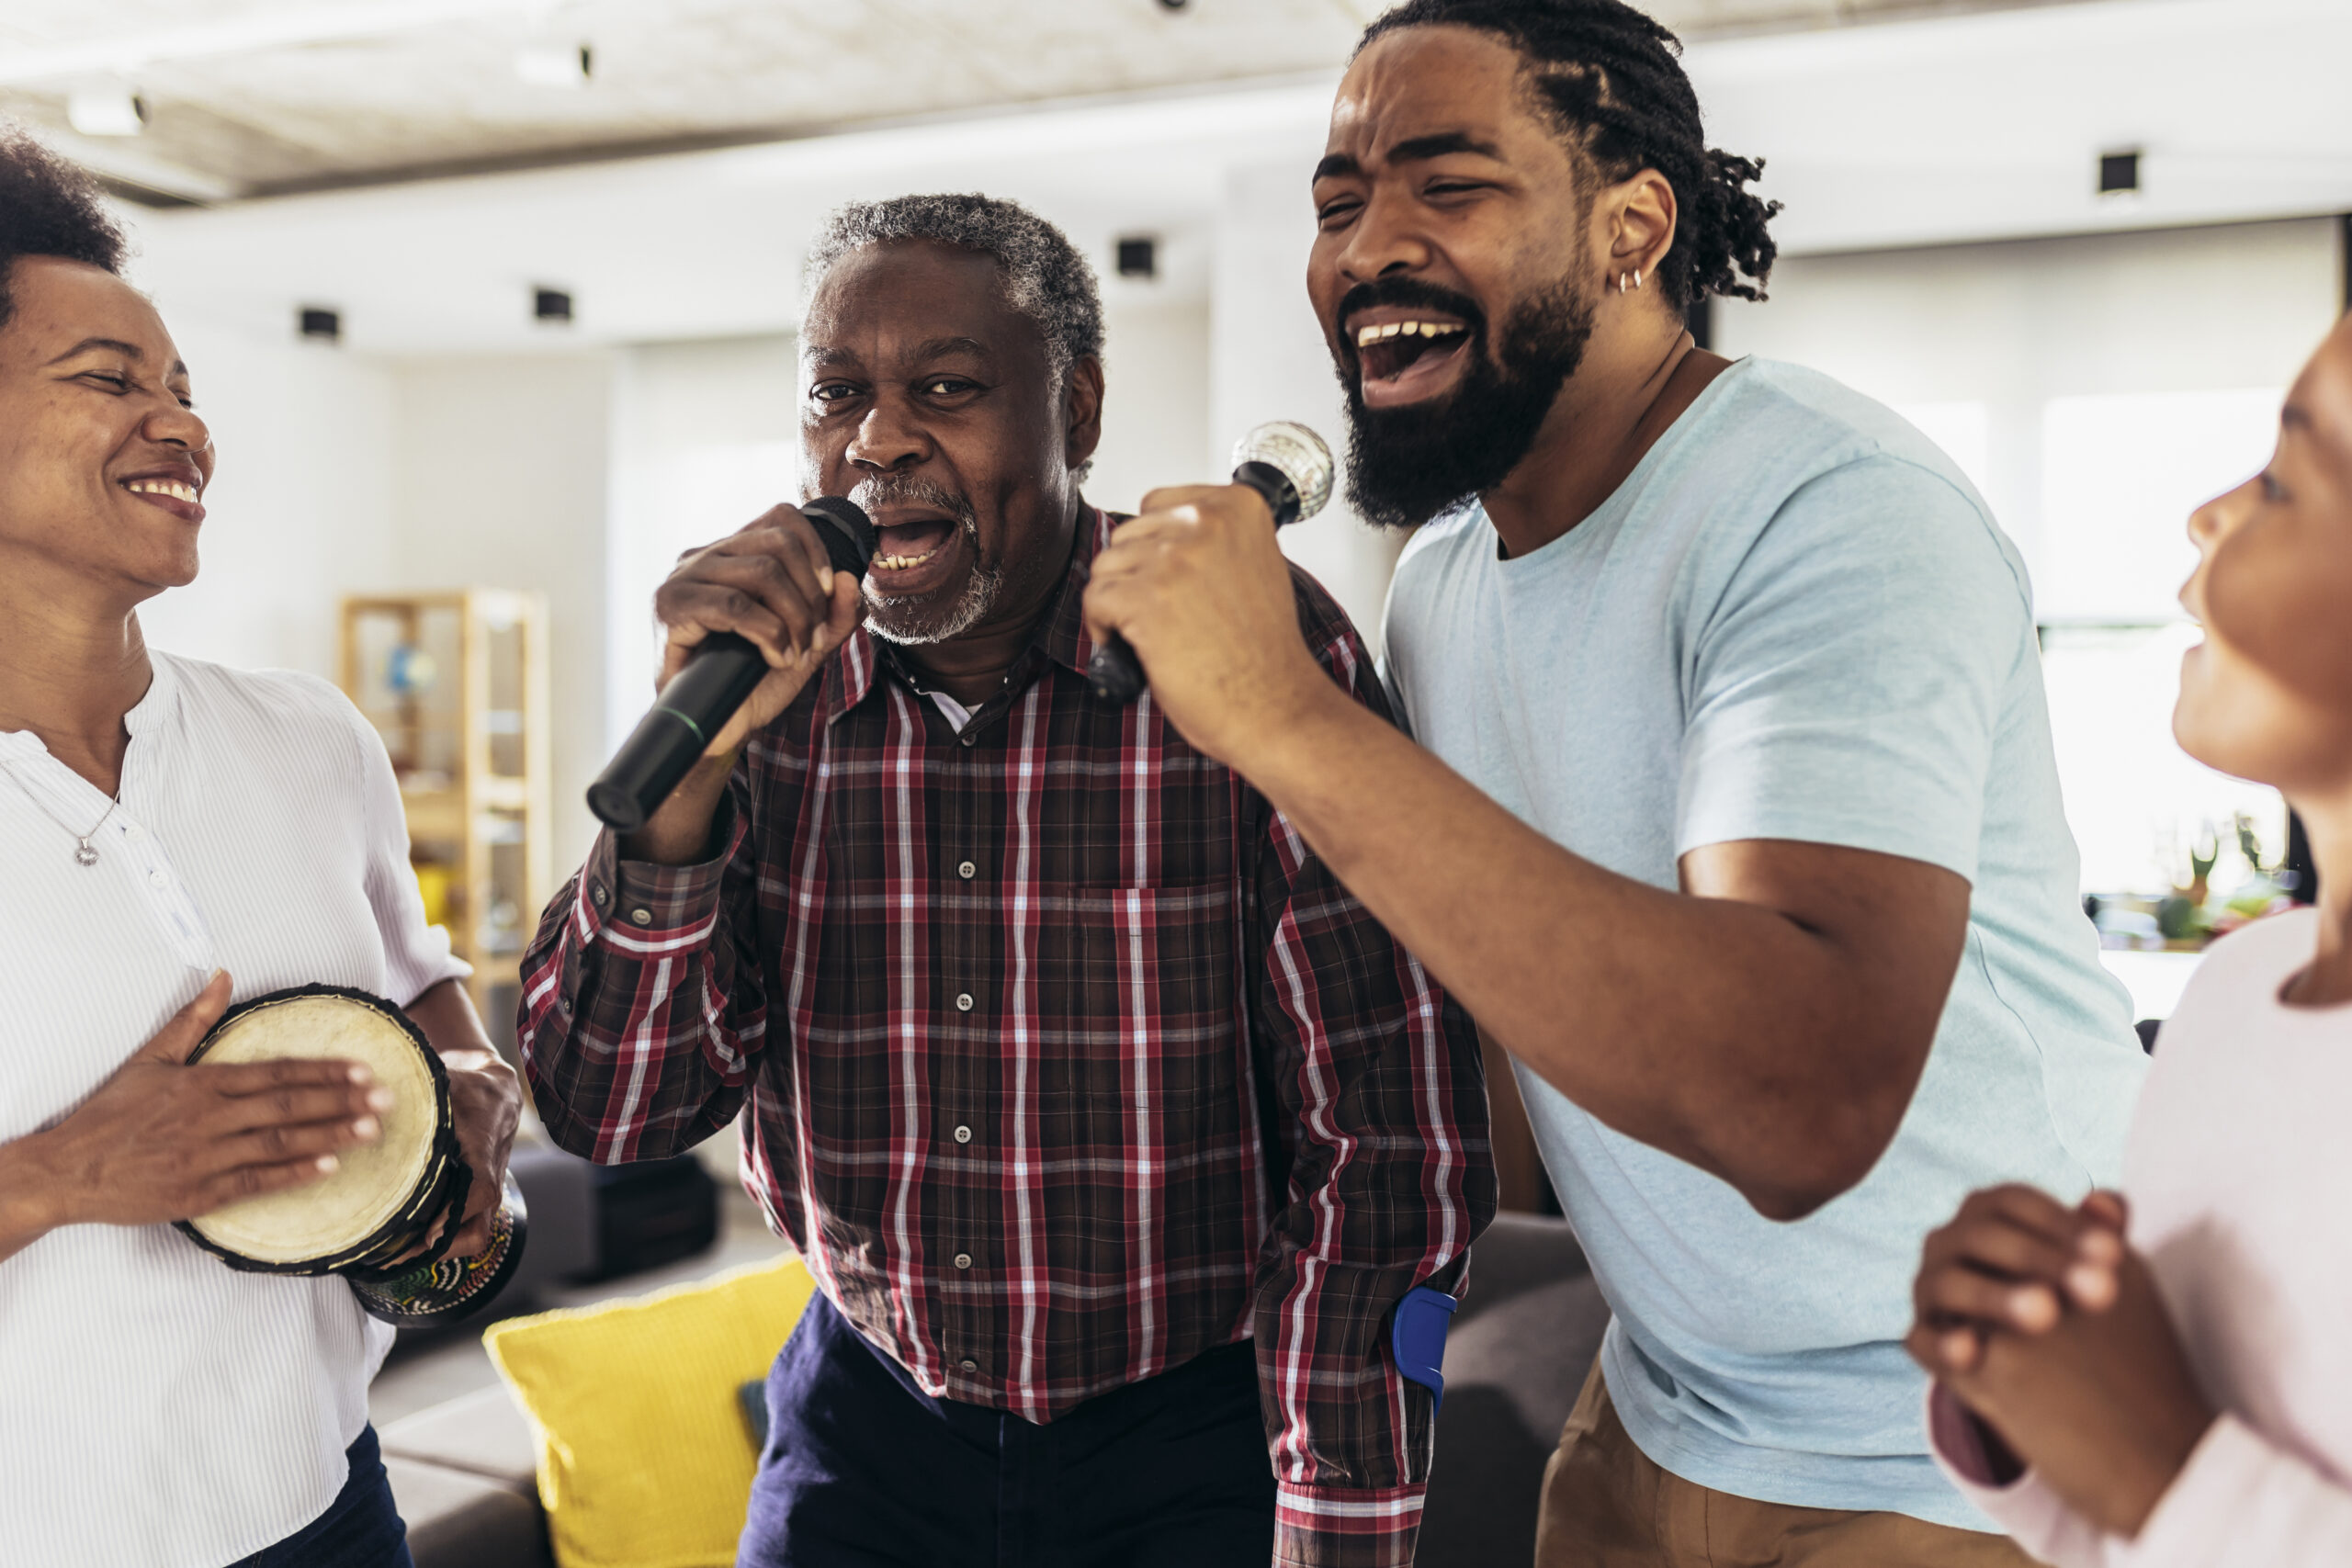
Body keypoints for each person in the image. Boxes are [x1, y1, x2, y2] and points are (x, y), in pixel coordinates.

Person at [1079, 2, 2150, 1562]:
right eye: (1337, 201)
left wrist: (1290, 722)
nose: (1368, 245)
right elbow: (1531, 1053)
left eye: (1449, 186)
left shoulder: (1829, 510)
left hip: (1961, 1450)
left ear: (1634, 224)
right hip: (1656, 1414)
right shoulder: (1441, 582)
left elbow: (1795, 1101)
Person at [517, 193, 1492, 1568]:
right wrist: (684, 792)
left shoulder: (1248, 649)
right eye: (836, 394)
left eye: (948, 390)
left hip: (1193, 1436)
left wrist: (1337, 1522)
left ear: (1075, 412)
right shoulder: (763, 695)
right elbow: (610, 1112)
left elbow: (1386, 1139)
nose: (879, 440)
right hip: (871, 1414)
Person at [0, 132, 521, 1568]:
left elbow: (426, 986)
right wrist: (55, 1176)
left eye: (184, 390)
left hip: (328, 1508)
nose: (181, 427)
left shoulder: (310, 739)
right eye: (109, 380)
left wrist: (475, 1090)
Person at [1908, 312, 2352, 1565]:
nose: (2210, 513)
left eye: (2286, 474)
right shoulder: (2239, 985)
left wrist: (2167, 1475)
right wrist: (2033, 1397)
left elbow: (2172, 1486)